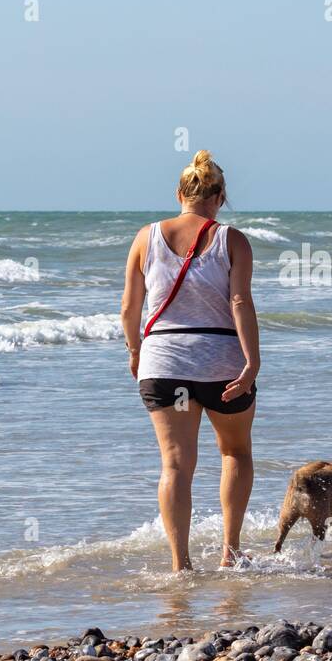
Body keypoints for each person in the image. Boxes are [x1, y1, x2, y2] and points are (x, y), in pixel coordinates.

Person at [121, 151, 260, 572]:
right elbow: (239, 301)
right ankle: (230, 553)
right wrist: (252, 363)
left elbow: (130, 308)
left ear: (180, 193)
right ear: (220, 196)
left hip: (163, 363)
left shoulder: (146, 237)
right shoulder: (231, 239)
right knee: (234, 452)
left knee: (176, 464)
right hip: (220, 364)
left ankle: (181, 566)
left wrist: (134, 351)